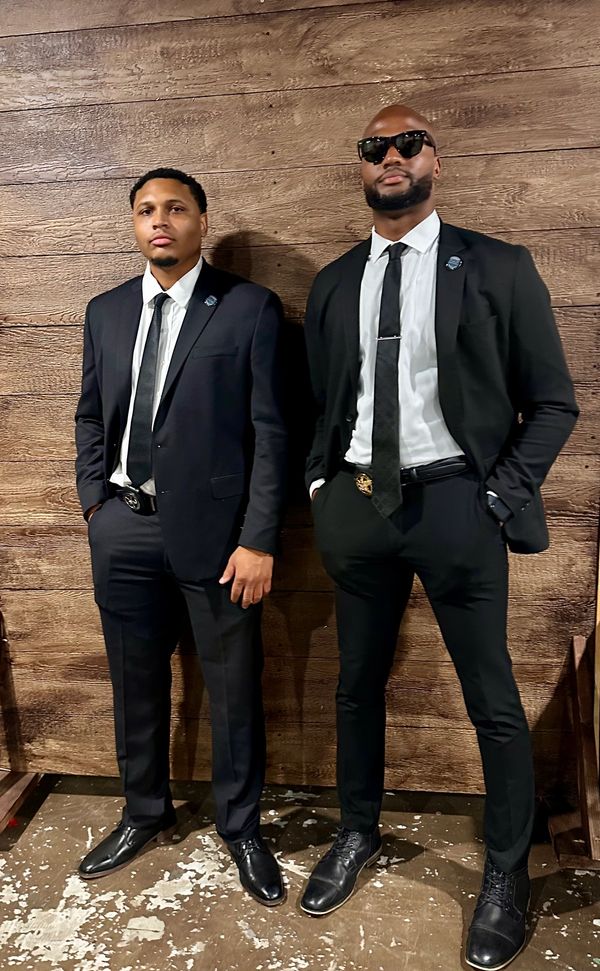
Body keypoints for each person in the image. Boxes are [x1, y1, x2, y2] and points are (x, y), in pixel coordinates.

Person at [300, 106, 578, 968]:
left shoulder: (496, 265)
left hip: (458, 504)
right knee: (355, 686)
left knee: (491, 697)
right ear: (361, 167)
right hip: (357, 507)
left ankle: (506, 872)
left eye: (408, 142)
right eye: (374, 147)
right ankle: (357, 830)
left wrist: (497, 497)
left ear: (435, 161)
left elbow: (554, 402)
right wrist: (321, 486)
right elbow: (322, 400)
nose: (391, 155)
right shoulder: (336, 281)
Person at [75, 167, 287, 906]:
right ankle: (144, 812)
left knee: (233, 691)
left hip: (222, 540)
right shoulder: (105, 312)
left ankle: (241, 827)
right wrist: (94, 505)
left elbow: (272, 433)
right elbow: (90, 416)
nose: (159, 221)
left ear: (201, 220)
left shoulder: (249, 308)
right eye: (145, 210)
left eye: (175, 208)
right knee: (134, 683)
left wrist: (259, 538)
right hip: (123, 527)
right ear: (134, 224)